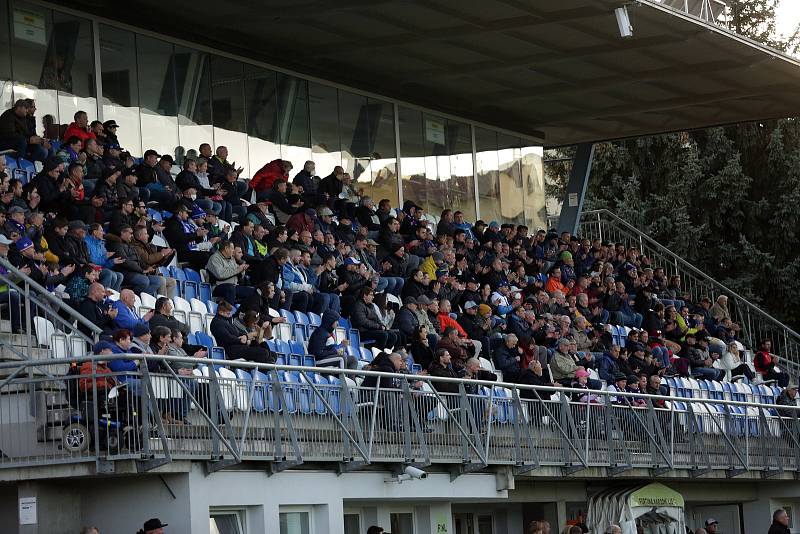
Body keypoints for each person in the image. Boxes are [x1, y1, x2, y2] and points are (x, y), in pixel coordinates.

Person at [210, 300, 275, 363]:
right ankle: (262, 368)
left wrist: (245, 337)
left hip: (239, 346)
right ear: (221, 312)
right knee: (264, 353)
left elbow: (236, 333)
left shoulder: (226, 321)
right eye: (228, 313)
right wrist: (242, 340)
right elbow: (227, 338)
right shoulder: (217, 323)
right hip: (232, 350)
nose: (230, 315)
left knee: (272, 354)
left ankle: (268, 361)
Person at [350, 286, 398, 351]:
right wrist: (379, 327)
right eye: (371, 295)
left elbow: (377, 319)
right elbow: (363, 322)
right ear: (365, 295)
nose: (373, 297)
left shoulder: (371, 306)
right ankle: (378, 354)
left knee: (393, 336)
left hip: (372, 330)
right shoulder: (358, 305)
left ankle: (385, 353)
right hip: (362, 331)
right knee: (383, 335)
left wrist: (383, 326)